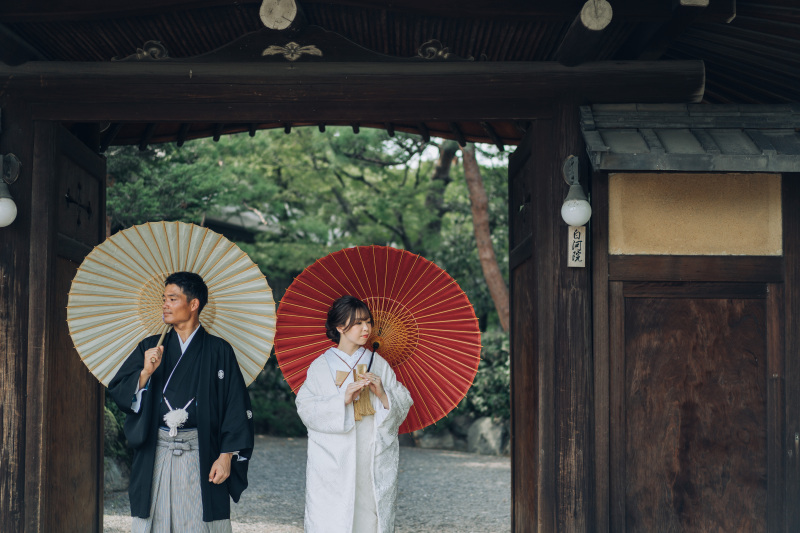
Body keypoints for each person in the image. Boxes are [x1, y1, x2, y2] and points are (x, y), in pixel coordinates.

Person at [108, 271, 254, 533]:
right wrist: (145, 373)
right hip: (158, 450)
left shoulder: (219, 350)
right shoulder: (150, 347)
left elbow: (235, 406)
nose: (165, 305)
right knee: (155, 521)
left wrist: (225, 457)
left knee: (199, 522)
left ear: (194, 303)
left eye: (172, 299)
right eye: (164, 299)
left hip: (201, 451)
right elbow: (120, 392)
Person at [296, 295, 413, 533]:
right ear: (340, 327)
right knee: (332, 516)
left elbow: (403, 400)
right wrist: (342, 399)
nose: (366, 328)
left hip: (371, 451)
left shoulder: (377, 362)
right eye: (358, 323)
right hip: (333, 456)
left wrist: (383, 394)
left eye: (368, 321)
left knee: (370, 513)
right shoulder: (321, 366)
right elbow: (306, 408)